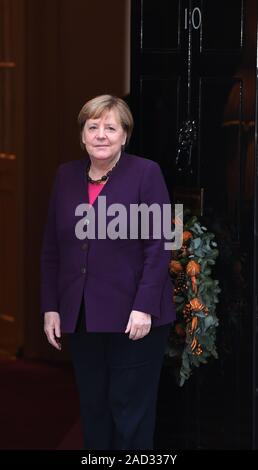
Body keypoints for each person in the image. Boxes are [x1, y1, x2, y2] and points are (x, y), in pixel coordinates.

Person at [41, 94, 176, 450]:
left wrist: (145, 306)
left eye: (111, 128)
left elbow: (161, 243)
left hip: (135, 317)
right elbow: (53, 249)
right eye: (93, 127)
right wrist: (51, 306)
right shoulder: (65, 176)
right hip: (83, 315)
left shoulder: (146, 173)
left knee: (130, 413)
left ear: (125, 136)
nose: (101, 135)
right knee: (94, 410)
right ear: (83, 135)